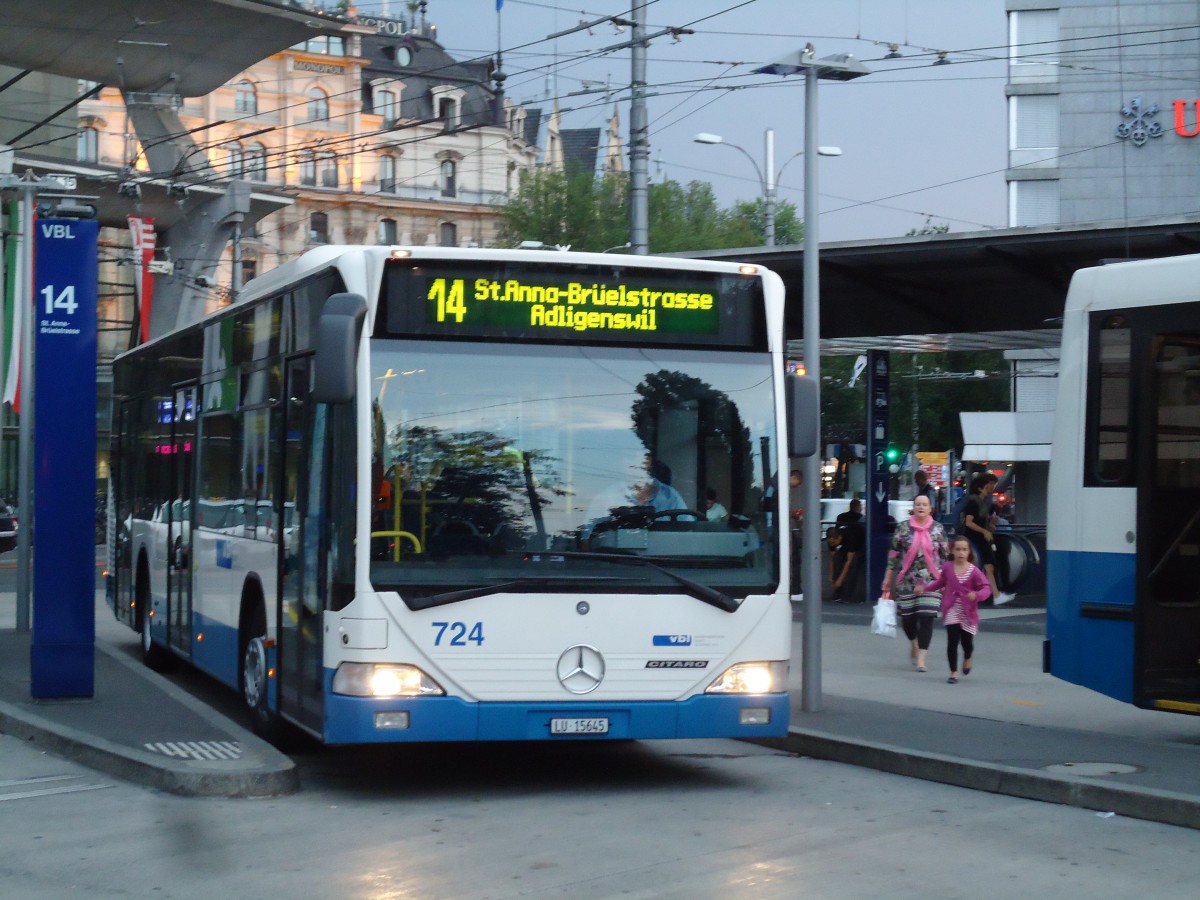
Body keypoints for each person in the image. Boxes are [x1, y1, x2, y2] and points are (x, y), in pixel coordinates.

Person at [880, 494, 948, 672]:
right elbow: (894, 555)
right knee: (908, 619)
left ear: (930, 509)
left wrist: (948, 580)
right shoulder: (903, 528)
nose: (921, 507)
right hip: (907, 580)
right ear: (913, 508)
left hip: (932, 581)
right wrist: (887, 578)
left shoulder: (938, 529)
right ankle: (914, 643)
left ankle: (922, 658)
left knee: (926, 617)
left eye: (924, 504)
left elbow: (945, 556)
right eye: (918, 504)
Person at [919, 535, 991, 683]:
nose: (961, 553)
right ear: (952, 551)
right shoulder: (948, 567)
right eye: (958, 549)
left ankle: (967, 657)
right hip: (951, 608)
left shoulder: (974, 571)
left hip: (968, 612)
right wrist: (925, 588)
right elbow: (940, 582)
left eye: (964, 549)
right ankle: (953, 673)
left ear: (969, 552)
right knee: (952, 640)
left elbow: (986, 588)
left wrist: (976, 595)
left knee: (967, 643)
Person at [961, 474, 1014, 604]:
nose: (991, 487)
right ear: (980, 488)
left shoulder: (979, 502)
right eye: (988, 485)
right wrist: (985, 530)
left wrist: (988, 527)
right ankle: (994, 595)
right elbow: (969, 522)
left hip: (979, 538)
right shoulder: (974, 502)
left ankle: (993, 594)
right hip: (978, 538)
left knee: (988, 566)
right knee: (989, 566)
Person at [827, 517, 865, 603]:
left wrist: (840, 579)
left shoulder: (851, 537)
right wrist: (831, 574)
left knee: (854, 564)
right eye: (831, 543)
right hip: (845, 546)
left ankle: (847, 594)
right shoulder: (832, 540)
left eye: (834, 542)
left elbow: (848, 562)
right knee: (837, 558)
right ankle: (837, 591)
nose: (833, 544)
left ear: (839, 538)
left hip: (859, 545)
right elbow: (832, 557)